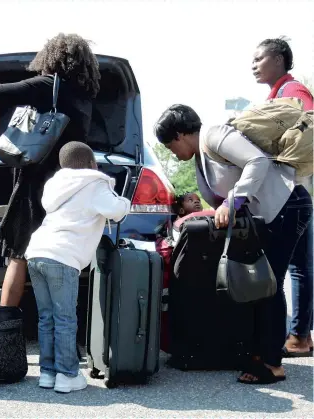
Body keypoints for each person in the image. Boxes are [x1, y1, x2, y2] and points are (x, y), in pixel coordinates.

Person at [154, 104, 313, 384]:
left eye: (169, 146)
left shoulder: (213, 135)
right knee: (261, 283)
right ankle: (259, 351)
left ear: (180, 135)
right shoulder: (201, 157)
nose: (172, 154)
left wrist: (233, 200)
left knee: (269, 283)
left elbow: (258, 162)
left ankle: (272, 362)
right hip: (272, 212)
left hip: (287, 206)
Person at [0, 33, 101, 307]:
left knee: (19, 256)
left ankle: (4, 324)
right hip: (70, 189)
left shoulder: (47, 85)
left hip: (37, 185)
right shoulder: (85, 98)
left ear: (50, 58)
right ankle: (59, 326)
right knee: (58, 258)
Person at [25, 141, 130, 393]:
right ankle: (67, 375)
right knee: (65, 319)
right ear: (92, 163)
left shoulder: (55, 185)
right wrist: (124, 201)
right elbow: (116, 211)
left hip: (35, 252)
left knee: (46, 318)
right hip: (63, 256)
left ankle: (47, 374)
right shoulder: (94, 183)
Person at [252, 37, 314, 357]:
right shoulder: (279, 94)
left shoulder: (293, 92)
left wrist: (281, 156)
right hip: (296, 188)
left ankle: (299, 337)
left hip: (294, 188)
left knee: (296, 266)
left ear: (278, 59)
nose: (253, 65)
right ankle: (302, 333)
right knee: (301, 263)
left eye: (259, 59)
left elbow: (310, 126)